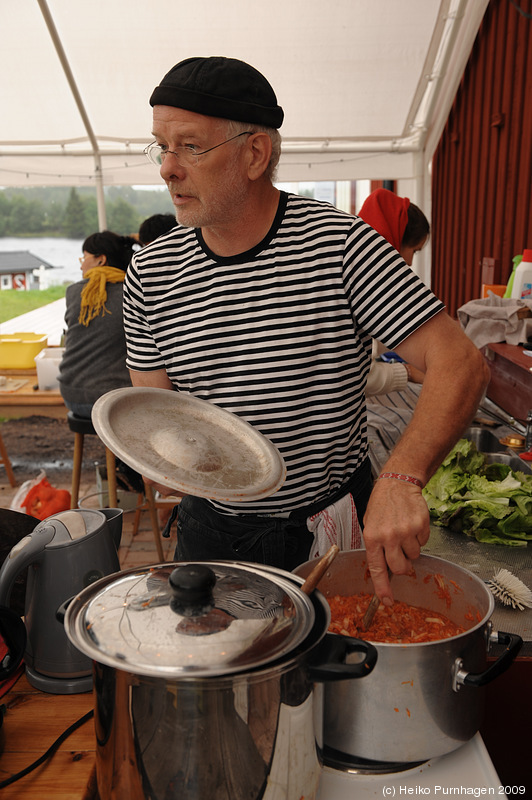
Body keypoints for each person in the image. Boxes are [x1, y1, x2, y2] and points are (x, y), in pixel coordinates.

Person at [122, 56, 489, 604]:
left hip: (330, 530)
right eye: (161, 146)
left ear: (254, 154)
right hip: (212, 532)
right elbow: (153, 404)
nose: (168, 168)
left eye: (190, 146)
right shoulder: (150, 270)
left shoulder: (340, 247)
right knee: (230, 681)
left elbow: (460, 363)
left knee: (333, 677)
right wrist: (162, 460)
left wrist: (403, 477)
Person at [58, 230, 137, 418]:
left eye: (83, 258)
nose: (81, 266)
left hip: (72, 394)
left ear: (100, 260)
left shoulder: (74, 292)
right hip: (115, 400)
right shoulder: (133, 292)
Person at [361, 188, 430, 395]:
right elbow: (360, 377)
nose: (409, 263)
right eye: (414, 251)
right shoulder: (365, 276)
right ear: (395, 239)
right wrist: (408, 372)